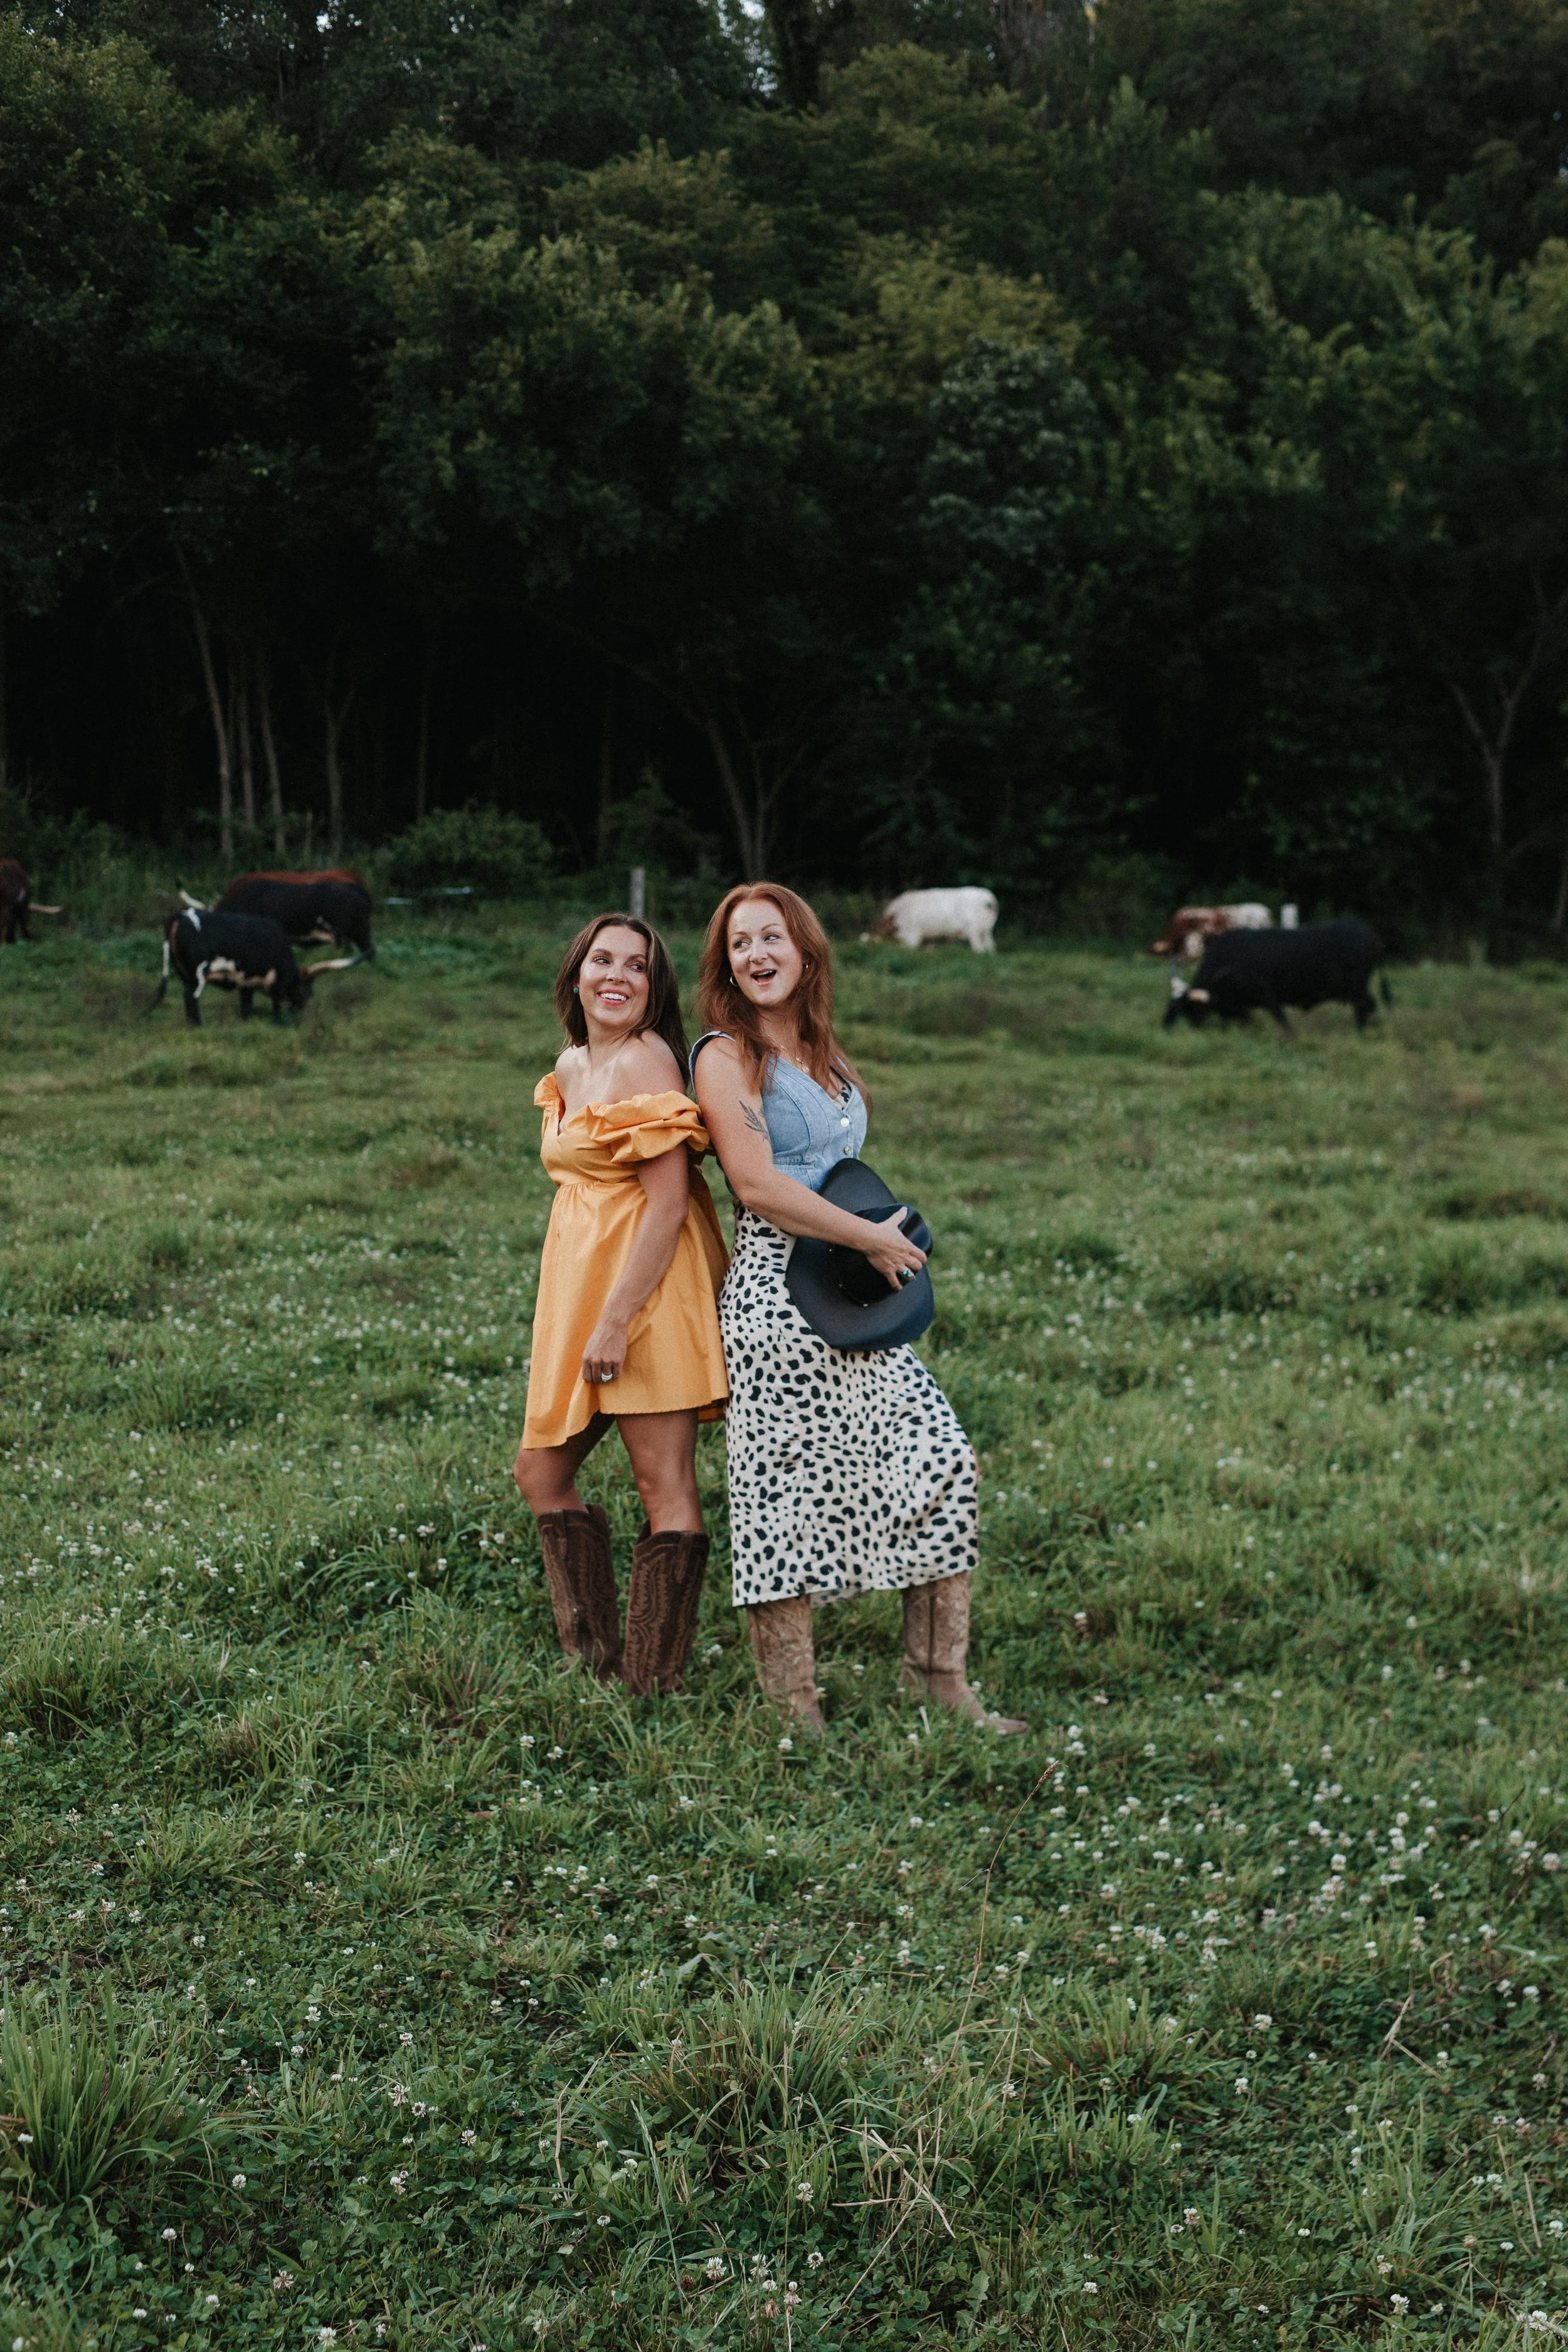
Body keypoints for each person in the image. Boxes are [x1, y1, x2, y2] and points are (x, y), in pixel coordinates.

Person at [691, 882, 1023, 1734]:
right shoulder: (726, 1055)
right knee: (786, 1493)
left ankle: (938, 1679)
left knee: (944, 1459)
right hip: (776, 1293)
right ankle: (794, 1710)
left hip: (848, 1282)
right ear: (727, 963)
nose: (757, 955)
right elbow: (757, 1184)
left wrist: (879, 1238)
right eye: (740, 944)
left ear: (806, 950)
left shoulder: (822, 1050)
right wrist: (870, 1238)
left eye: (772, 937)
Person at [512, 913, 728, 1695]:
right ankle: (593, 1660)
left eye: (635, 967)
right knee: (540, 1472)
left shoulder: (647, 1062)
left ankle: (652, 1680)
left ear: (651, 988)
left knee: (660, 1481)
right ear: (575, 973)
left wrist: (615, 1320)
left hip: (644, 1298)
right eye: (601, 960)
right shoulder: (572, 1065)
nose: (616, 976)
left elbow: (668, 1207)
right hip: (582, 1295)